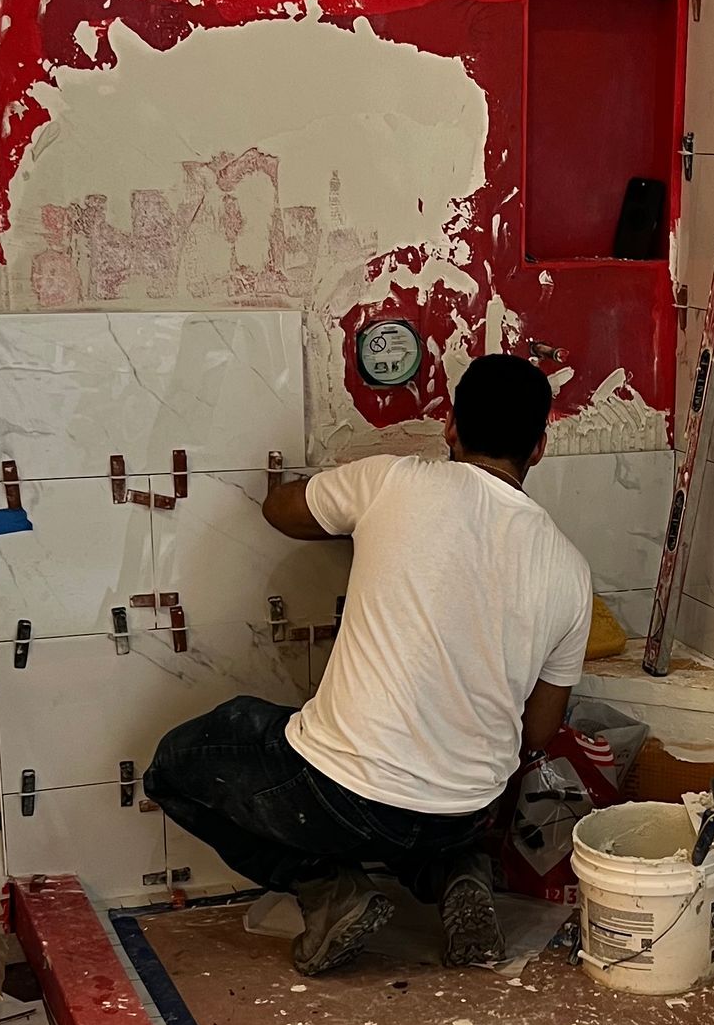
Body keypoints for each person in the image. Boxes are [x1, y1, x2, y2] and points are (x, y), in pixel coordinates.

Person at [144, 353, 592, 975]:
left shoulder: (395, 482)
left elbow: (280, 510)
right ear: (539, 446)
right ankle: (462, 875)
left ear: (451, 428)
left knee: (177, 764)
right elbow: (538, 734)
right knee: (419, 812)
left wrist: (366, 522)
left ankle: (331, 892)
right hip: (468, 811)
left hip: (339, 796)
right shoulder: (571, 569)